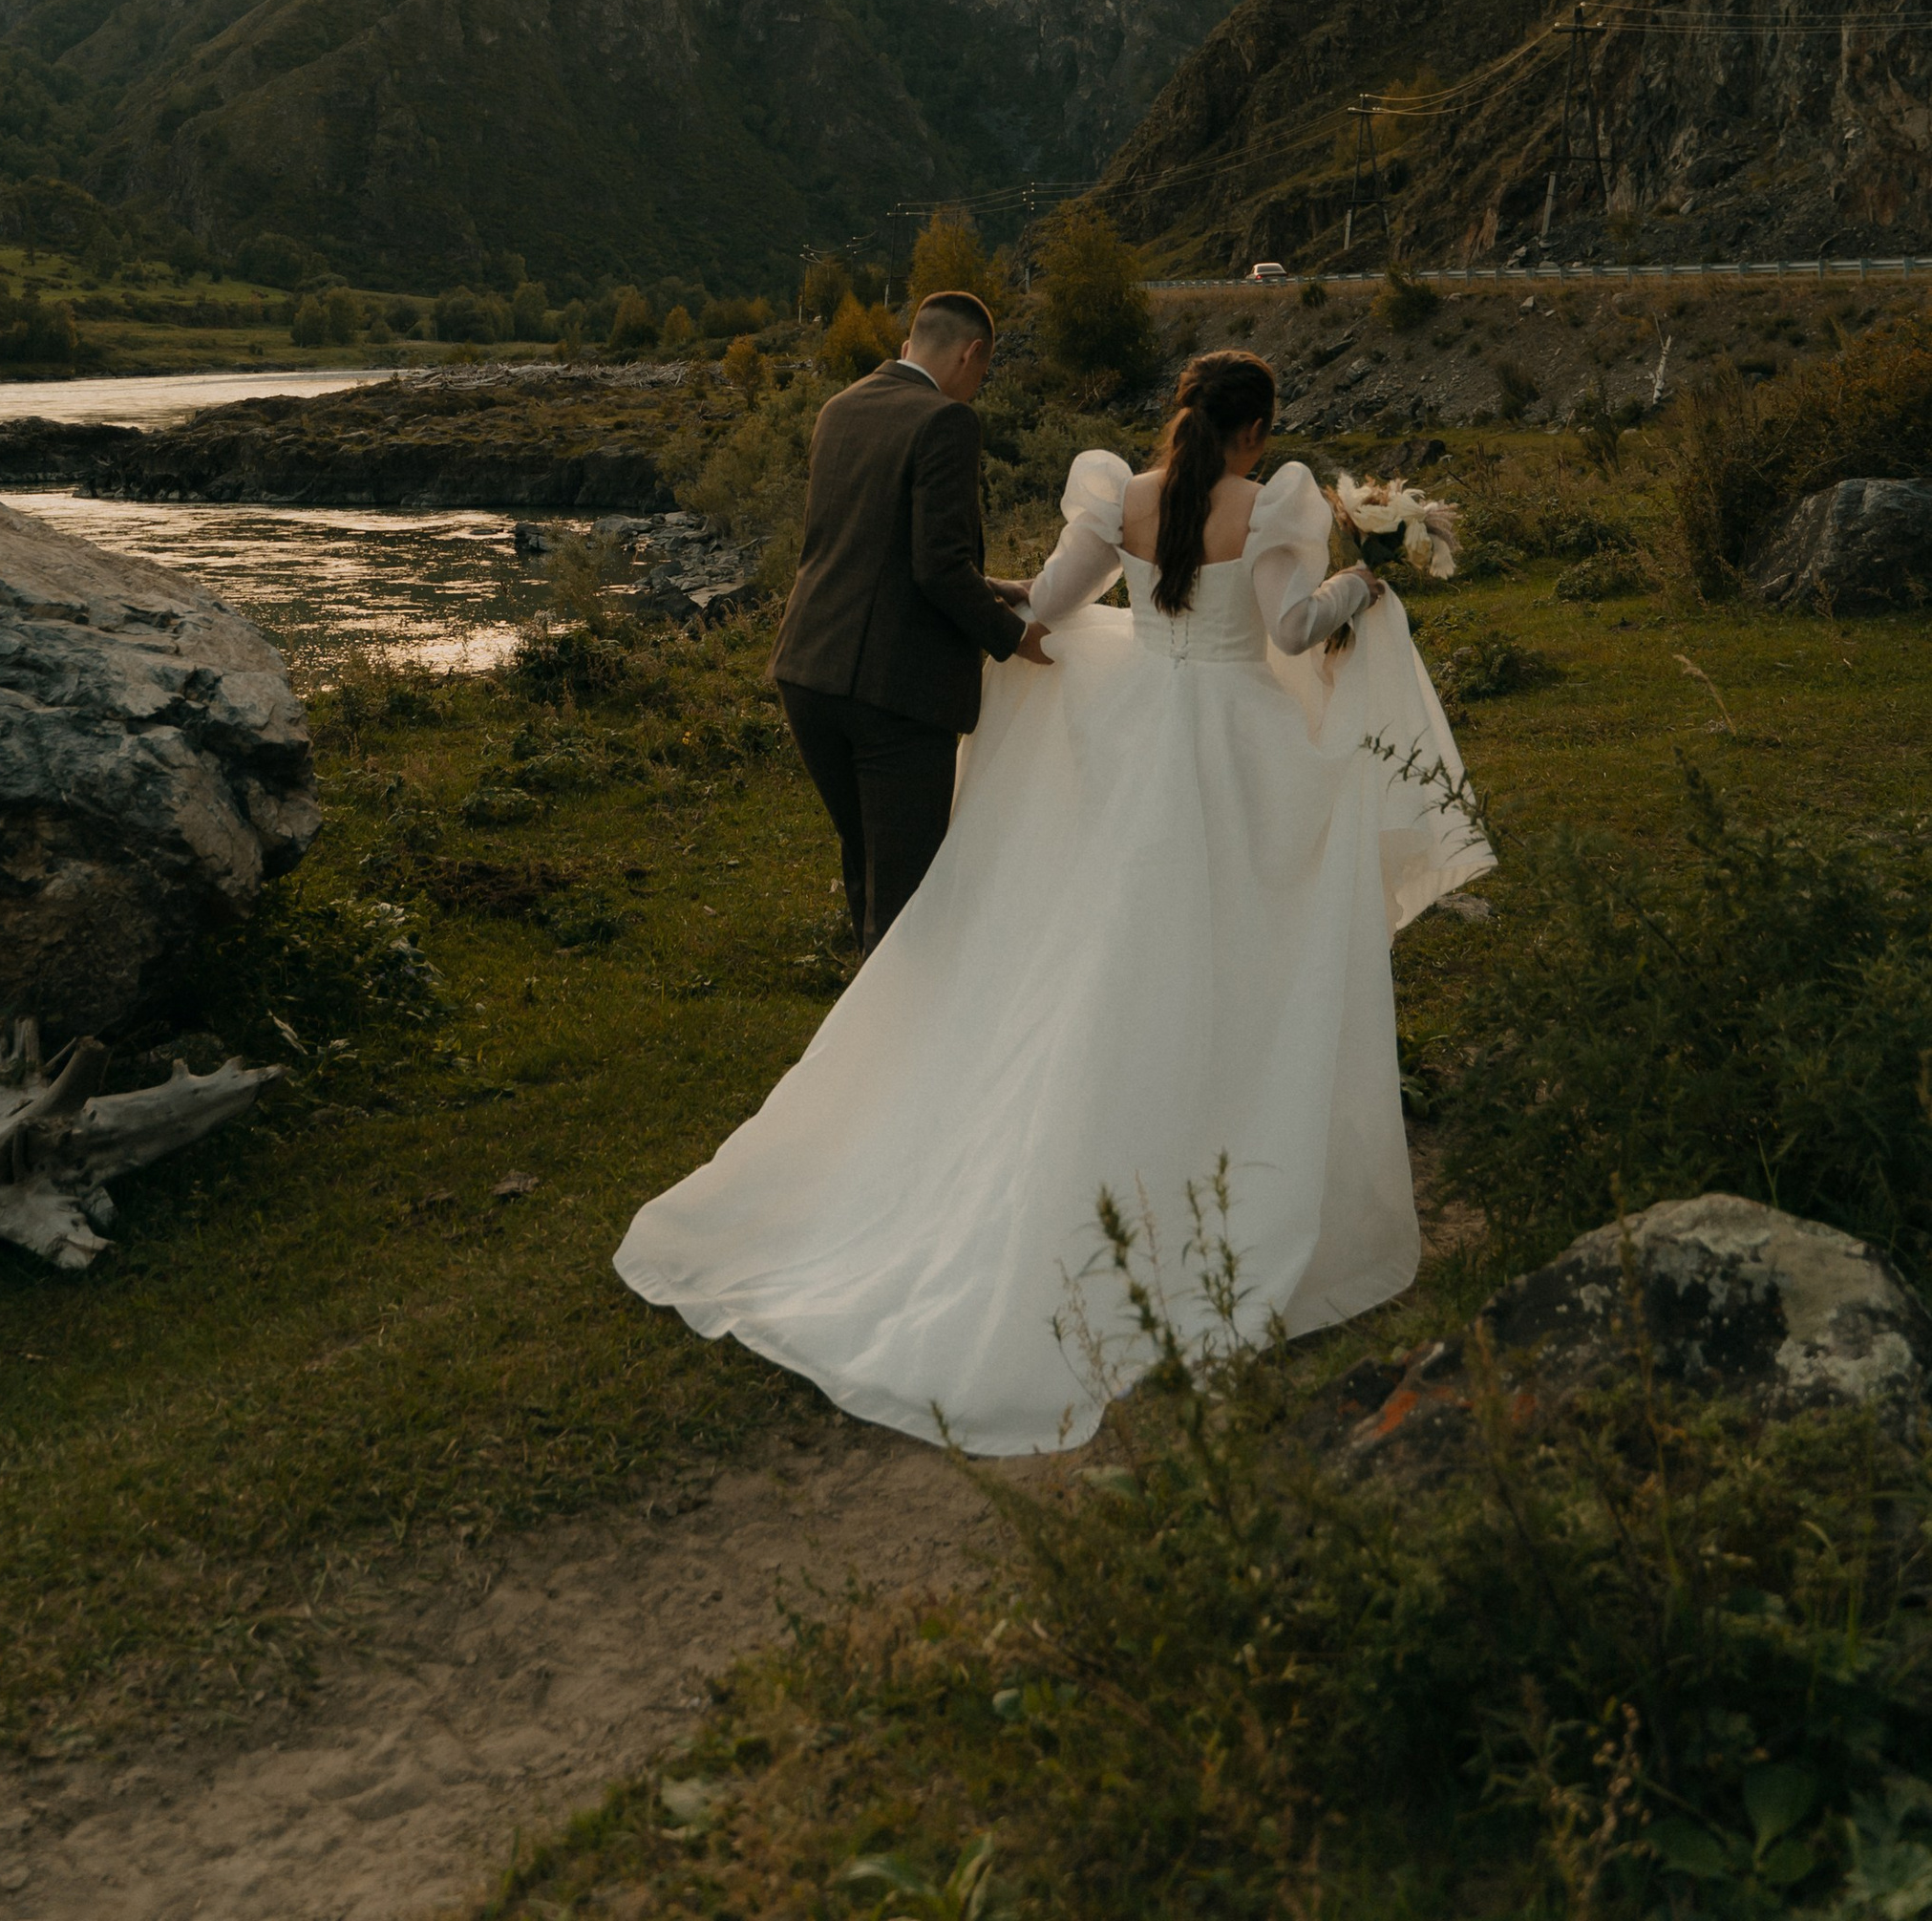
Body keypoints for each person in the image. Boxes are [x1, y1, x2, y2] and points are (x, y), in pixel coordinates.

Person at [614, 350, 1491, 1455]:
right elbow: (1288, 634)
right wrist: (1360, 582)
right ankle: (1210, 1113)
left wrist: (1007, 604)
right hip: (1227, 745)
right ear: (1255, 428)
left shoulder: (1119, 493)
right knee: (1222, 939)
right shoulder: (1267, 503)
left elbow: (1055, 599)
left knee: (1100, 939)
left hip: (1133, 741)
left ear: (1181, 414)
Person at [767, 288, 1052, 954]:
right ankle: (897, 1042)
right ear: (970, 352)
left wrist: (994, 585)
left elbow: (871, 543)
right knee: (909, 907)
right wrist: (1016, 636)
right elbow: (936, 569)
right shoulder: (946, 421)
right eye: (982, 373)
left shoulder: (841, 407)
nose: (977, 388)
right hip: (893, 691)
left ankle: (864, 1033)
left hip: (808, 672)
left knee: (865, 864)